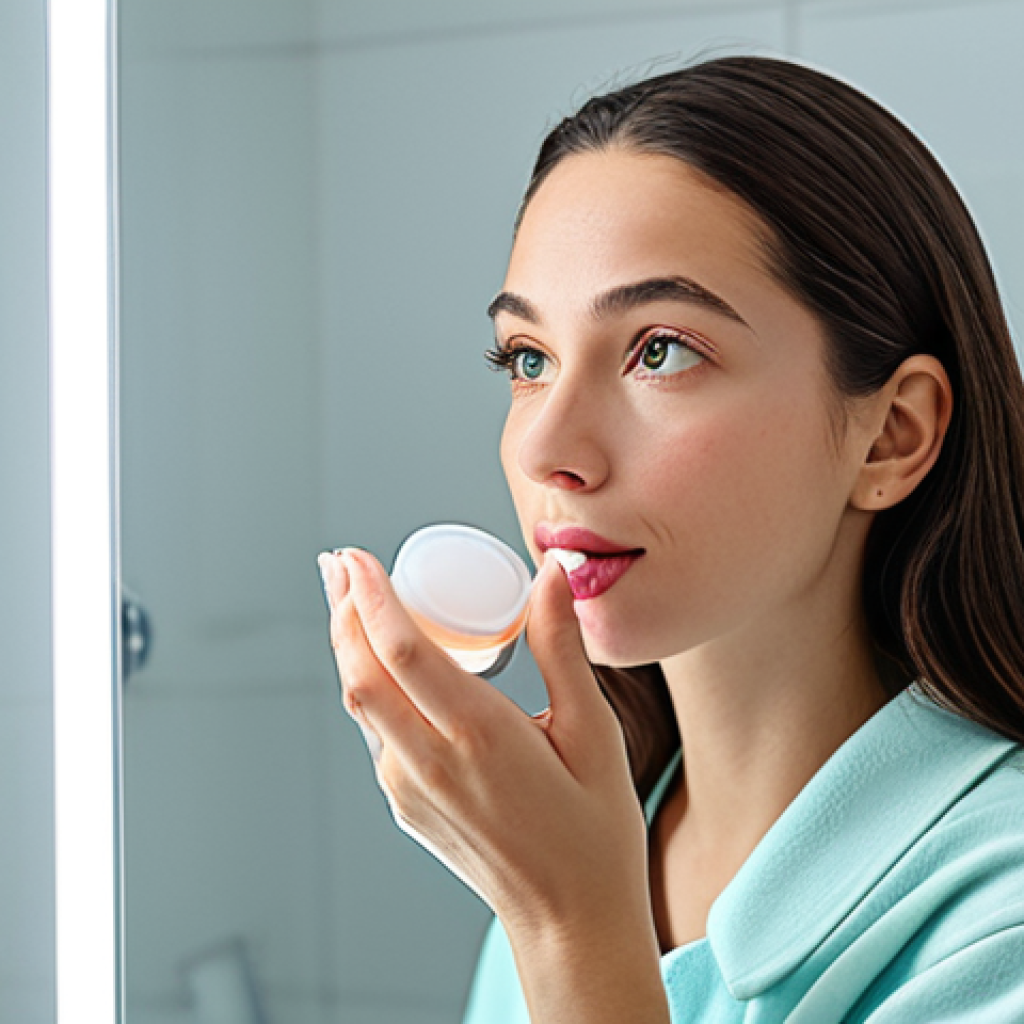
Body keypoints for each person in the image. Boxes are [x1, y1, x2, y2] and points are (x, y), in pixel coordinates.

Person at [317, 55, 1024, 1023]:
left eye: (660, 350)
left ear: (892, 433)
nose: (547, 447)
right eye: (528, 359)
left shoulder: (1000, 912)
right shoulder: (567, 856)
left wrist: (572, 932)